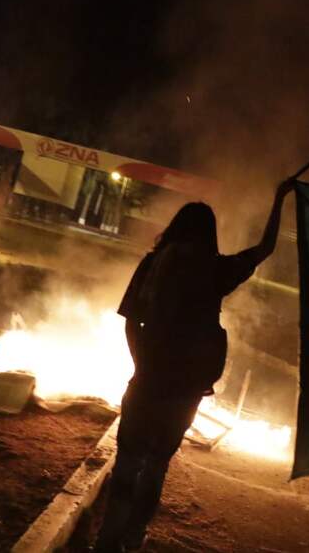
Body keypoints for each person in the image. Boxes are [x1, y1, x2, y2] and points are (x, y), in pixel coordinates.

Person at [93, 178, 294, 552]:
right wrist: (280, 198)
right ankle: (133, 538)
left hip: (147, 381)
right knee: (156, 465)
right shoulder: (214, 270)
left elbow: (129, 320)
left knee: (129, 459)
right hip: (185, 390)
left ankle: (107, 540)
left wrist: (142, 363)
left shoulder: (153, 264)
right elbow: (264, 249)